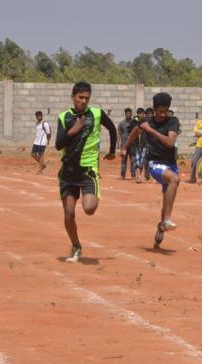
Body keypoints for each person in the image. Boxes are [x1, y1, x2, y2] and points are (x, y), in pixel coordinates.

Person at [56, 82, 117, 262]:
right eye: (80, 97)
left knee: (89, 208)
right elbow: (58, 144)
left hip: (88, 170)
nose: (83, 101)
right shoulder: (64, 117)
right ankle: (76, 245)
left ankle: (91, 192)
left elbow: (112, 129)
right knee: (69, 214)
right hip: (68, 172)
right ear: (73, 97)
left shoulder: (96, 113)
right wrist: (73, 130)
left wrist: (112, 151)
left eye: (86, 98)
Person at [122, 92, 179, 248]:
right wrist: (125, 147)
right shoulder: (146, 122)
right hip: (154, 163)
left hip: (171, 164)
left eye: (165, 111)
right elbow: (134, 133)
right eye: (160, 111)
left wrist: (151, 130)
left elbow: (170, 142)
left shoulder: (173, 121)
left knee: (167, 202)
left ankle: (161, 227)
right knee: (174, 179)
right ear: (154, 109)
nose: (163, 114)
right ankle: (167, 220)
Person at [118, 108, 137, 180]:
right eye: (127, 113)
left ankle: (133, 175)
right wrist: (118, 144)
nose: (128, 114)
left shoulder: (135, 122)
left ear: (131, 114)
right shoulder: (121, 123)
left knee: (133, 160)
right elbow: (119, 134)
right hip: (124, 145)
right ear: (125, 114)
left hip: (133, 145)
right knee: (123, 161)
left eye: (130, 113)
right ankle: (122, 175)